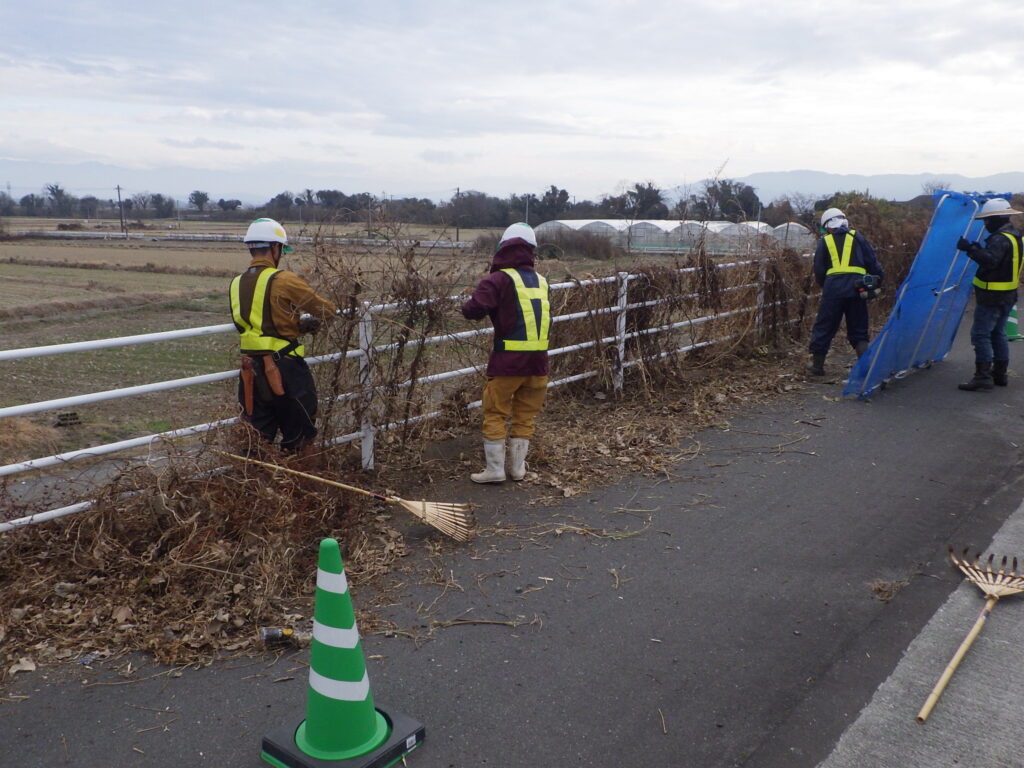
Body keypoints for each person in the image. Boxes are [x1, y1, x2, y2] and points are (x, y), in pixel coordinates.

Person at [229, 217, 337, 456]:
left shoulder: (236, 283)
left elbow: (256, 325)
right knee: (299, 435)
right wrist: (301, 324)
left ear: (251, 247)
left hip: (250, 372)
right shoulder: (284, 279)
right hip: (286, 369)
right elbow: (325, 310)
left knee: (256, 440)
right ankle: (296, 484)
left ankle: (256, 485)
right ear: (275, 248)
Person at [461, 223, 550, 483]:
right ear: (531, 251)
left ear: (503, 248)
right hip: (539, 364)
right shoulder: (542, 281)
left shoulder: (498, 279)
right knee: (525, 414)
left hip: (507, 363)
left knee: (495, 412)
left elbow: (473, 310)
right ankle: (518, 469)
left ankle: (495, 471)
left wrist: (465, 303)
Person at [956, 197, 1024, 391]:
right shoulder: (1014, 236)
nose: (986, 223)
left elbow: (991, 261)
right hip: (1007, 295)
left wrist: (969, 249)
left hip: (992, 296)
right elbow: (1001, 261)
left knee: (980, 334)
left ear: (999, 218)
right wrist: (977, 249)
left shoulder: (999, 239)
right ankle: (1000, 375)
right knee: (998, 333)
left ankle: (983, 377)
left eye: (988, 219)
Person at [807, 207, 884, 375]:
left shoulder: (825, 242)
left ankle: (817, 366)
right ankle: (865, 368)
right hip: (857, 288)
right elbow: (872, 262)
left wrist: (825, 285)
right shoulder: (858, 237)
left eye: (824, 227)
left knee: (825, 326)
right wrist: (878, 280)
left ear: (828, 225)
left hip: (833, 290)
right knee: (858, 328)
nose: (824, 230)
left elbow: (819, 269)